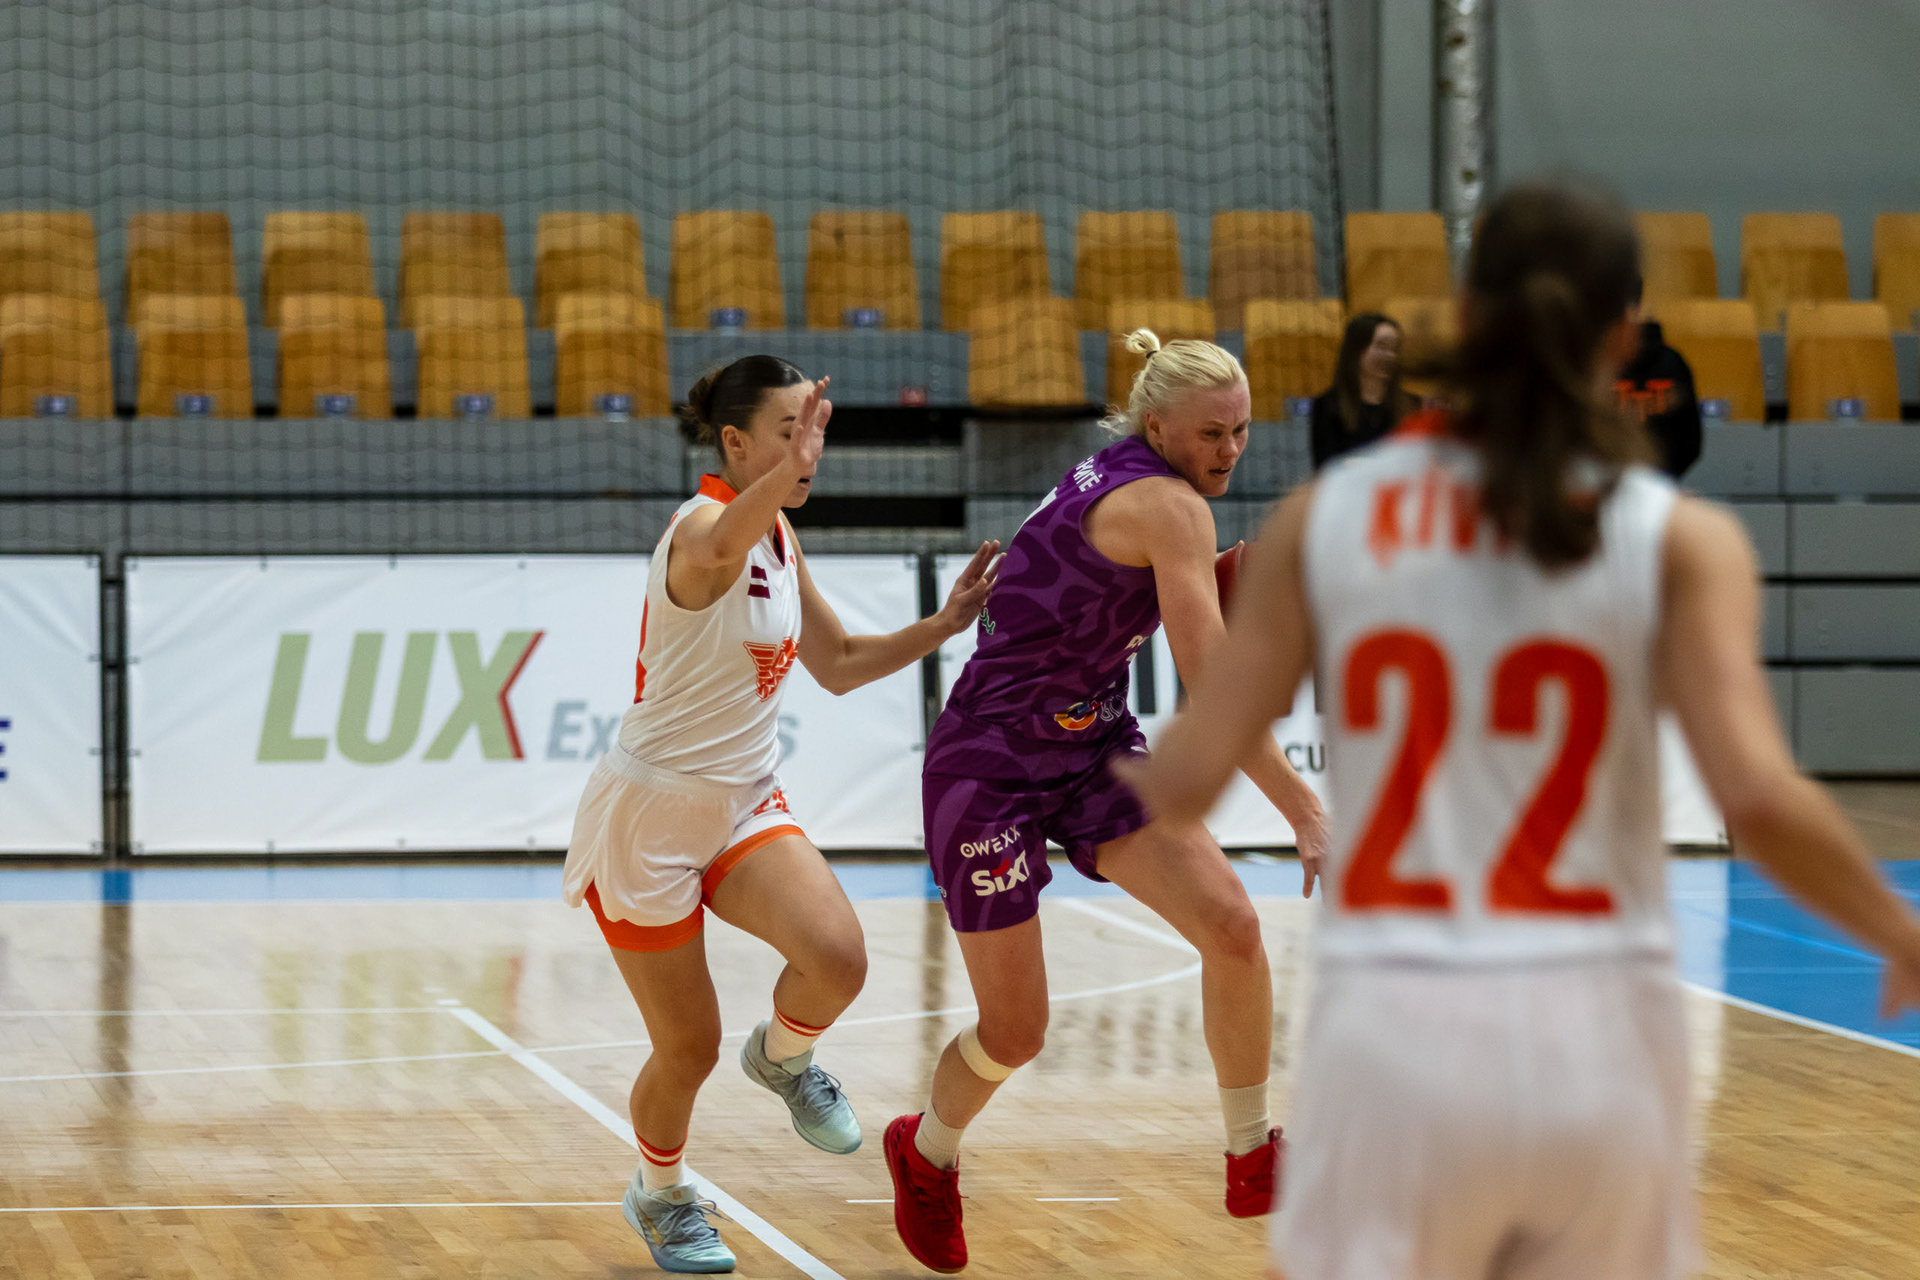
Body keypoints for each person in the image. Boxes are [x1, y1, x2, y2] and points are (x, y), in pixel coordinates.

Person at [1122, 181, 1920, 1280]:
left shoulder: (1329, 517)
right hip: (1596, 1043)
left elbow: (1191, 768)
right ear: (1624, 336)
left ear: (1467, 313)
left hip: (1396, 1041)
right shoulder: (1677, 537)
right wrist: (1896, 929)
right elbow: (1761, 799)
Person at [884, 329, 1332, 1273]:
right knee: (1017, 1031)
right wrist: (1303, 808)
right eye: (1211, 433)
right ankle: (925, 1152)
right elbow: (1214, 682)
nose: (1230, 450)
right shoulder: (1169, 506)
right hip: (989, 765)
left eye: (1241, 430)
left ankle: (1250, 1151)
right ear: (1157, 426)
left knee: (1232, 926)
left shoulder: (1134, 477)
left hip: (1091, 748)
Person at [561, 355, 1000, 1274]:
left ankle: (784, 1057)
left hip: (743, 798)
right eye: (792, 430)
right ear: (735, 442)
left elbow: (836, 665)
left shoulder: (781, 539)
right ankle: (660, 1193)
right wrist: (785, 470)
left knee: (839, 956)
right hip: (650, 817)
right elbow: (720, 544)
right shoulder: (700, 528)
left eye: (818, 431)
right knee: (687, 1048)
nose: (812, 450)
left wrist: (943, 625)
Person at [1615, 280, 1703, 478]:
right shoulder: (1674, 362)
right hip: (1661, 481)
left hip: (1608, 485)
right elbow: (1690, 442)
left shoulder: (1595, 367)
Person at [1309, 312, 1406, 470]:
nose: (1390, 356)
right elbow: (1326, 468)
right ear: (1357, 350)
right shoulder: (1328, 405)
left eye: (1395, 348)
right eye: (1382, 346)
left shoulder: (1411, 405)